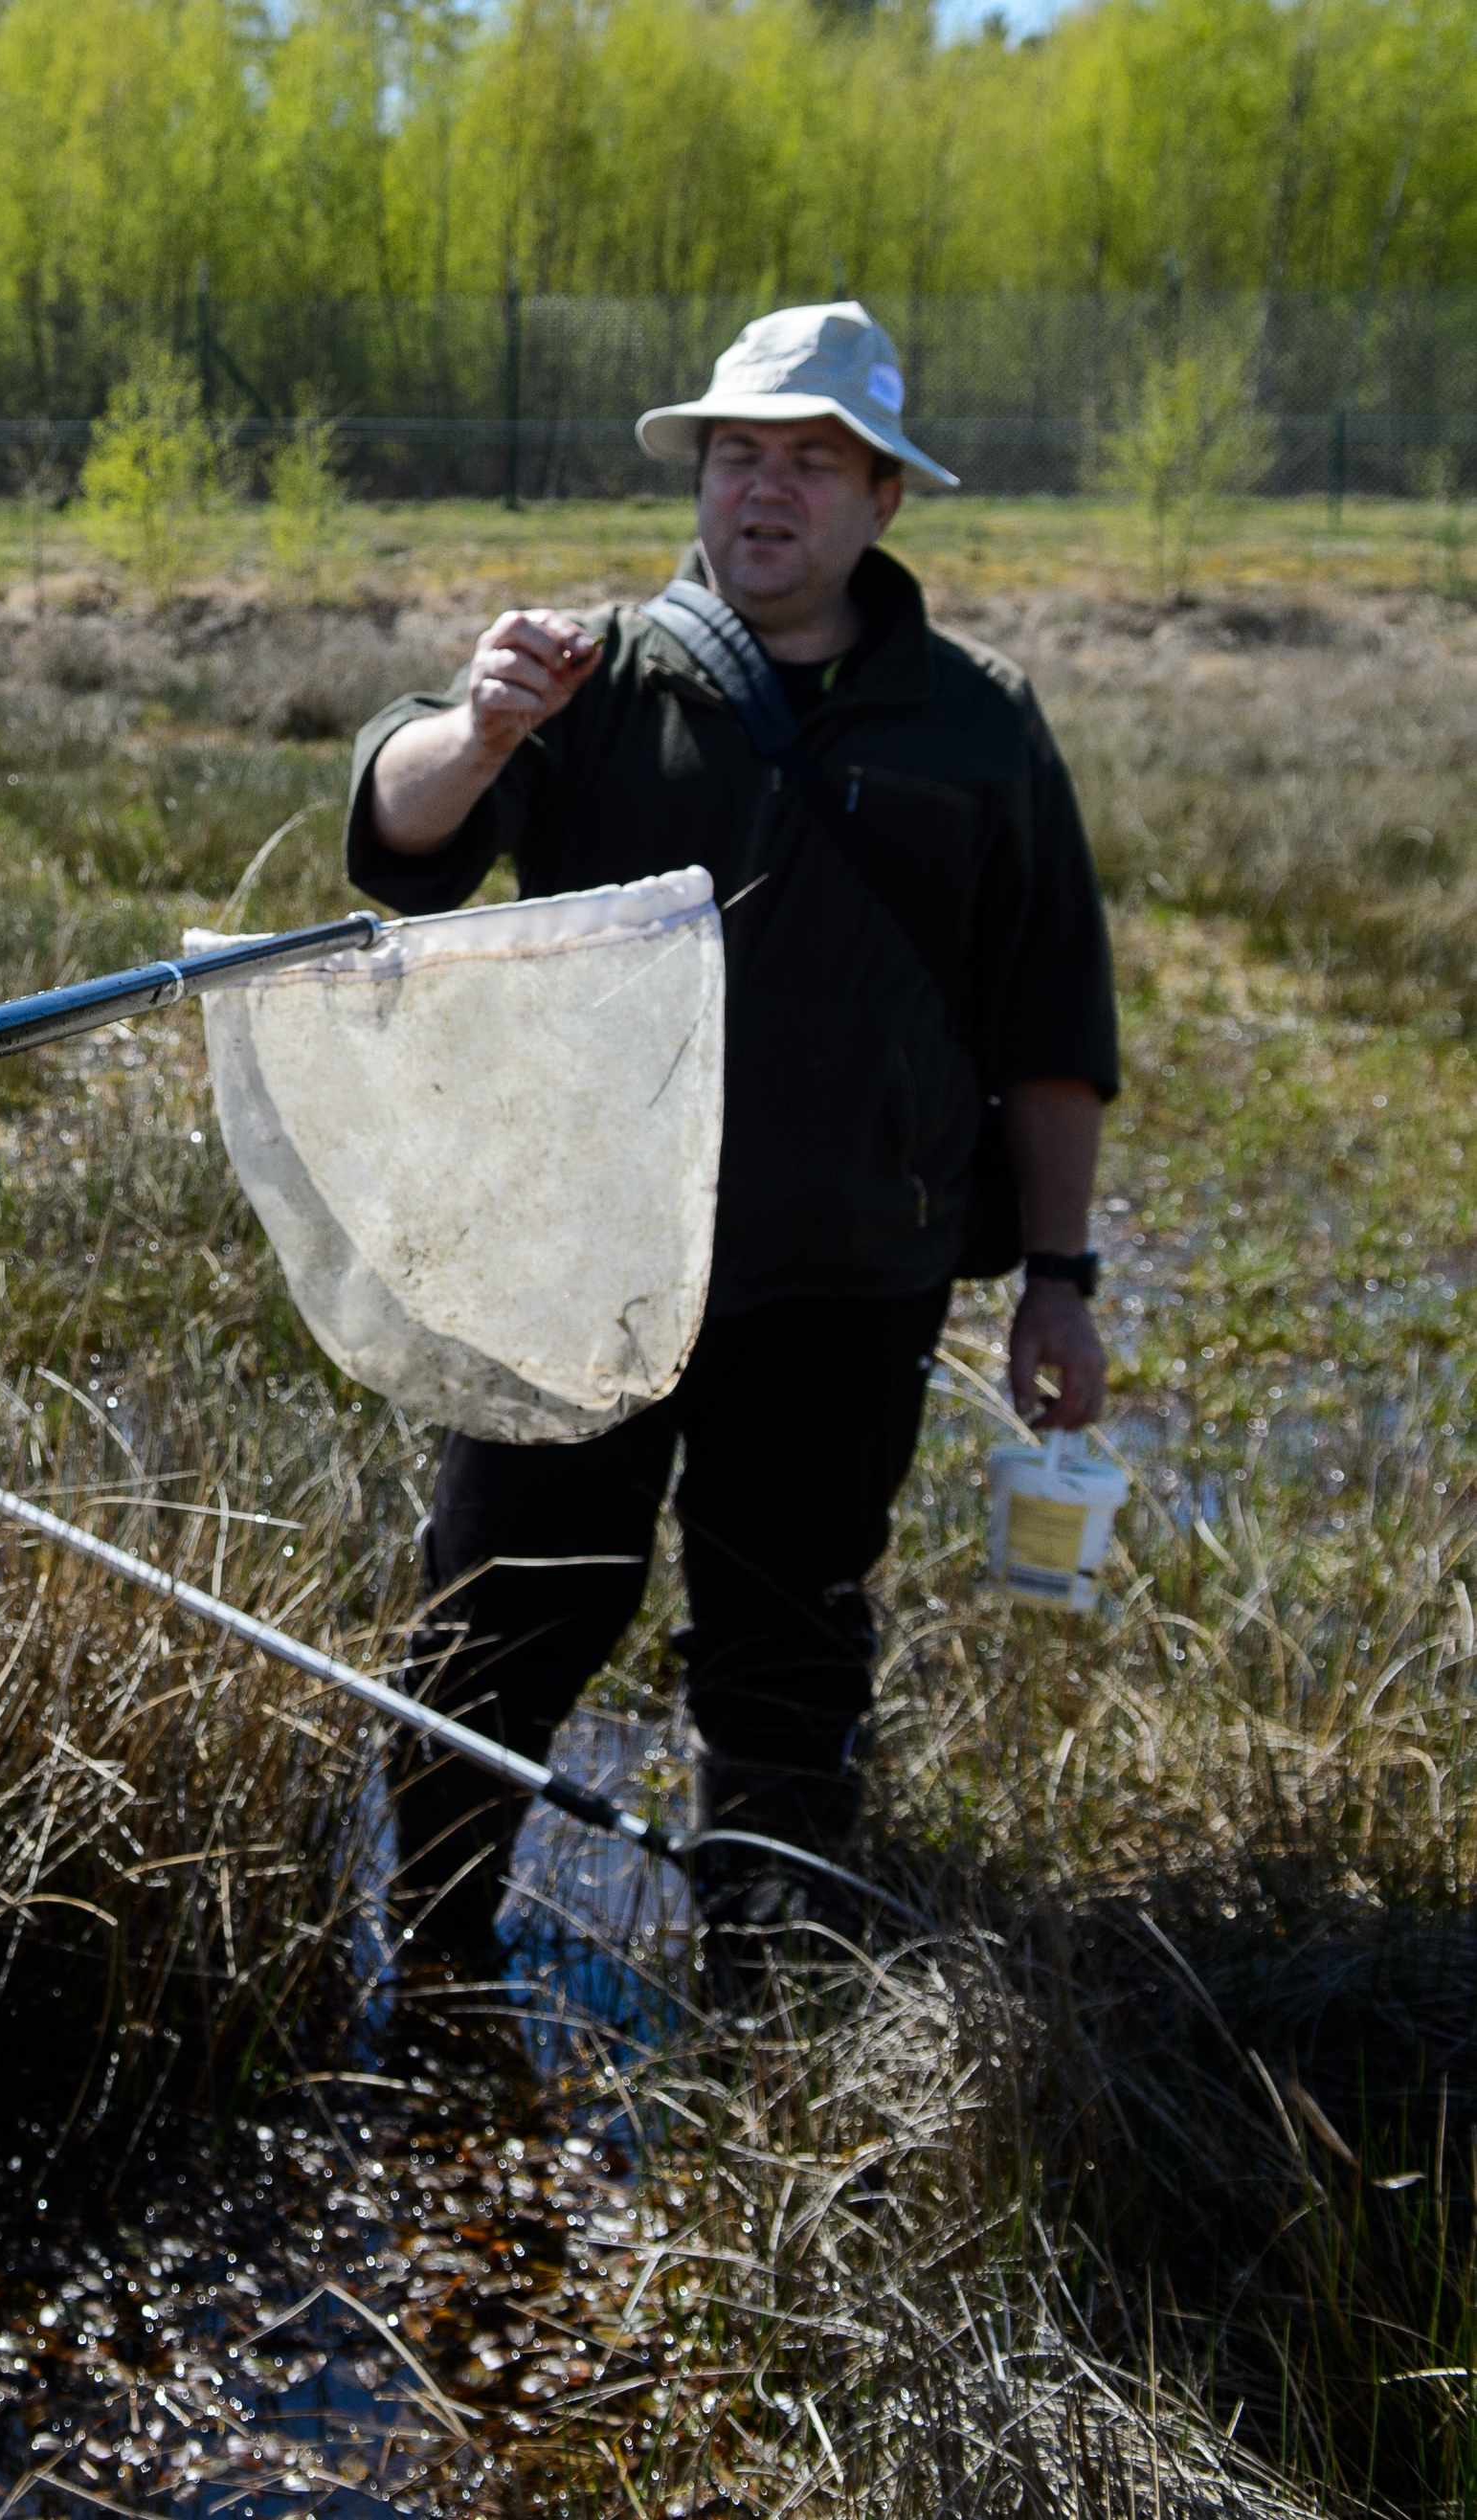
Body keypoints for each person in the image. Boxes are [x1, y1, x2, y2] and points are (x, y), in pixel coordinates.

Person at [344, 301, 1117, 1974]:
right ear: (701, 479)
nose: (767, 491)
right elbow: (399, 837)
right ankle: (438, 1943)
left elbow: (1054, 1035)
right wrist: (478, 731)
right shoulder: (590, 678)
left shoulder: (980, 727)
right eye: (740, 455)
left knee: (788, 1635)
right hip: (579, 1264)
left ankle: (764, 2001)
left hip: (851, 1280)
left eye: (813, 461)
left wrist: (1060, 1275)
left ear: (882, 498)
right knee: (503, 1608)